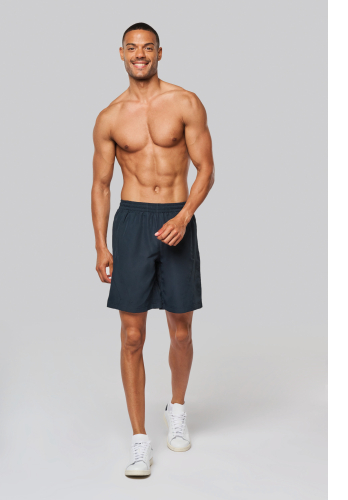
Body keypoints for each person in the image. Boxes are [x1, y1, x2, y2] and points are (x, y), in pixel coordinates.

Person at [91, 22, 215, 477]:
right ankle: (140, 440)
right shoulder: (109, 116)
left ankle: (176, 408)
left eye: (147, 48)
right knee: (131, 336)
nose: (139, 54)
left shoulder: (185, 102)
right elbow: (101, 185)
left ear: (159, 53)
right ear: (121, 54)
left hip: (176, 218)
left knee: (181, 331)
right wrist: (101, 244)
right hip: (132, 223)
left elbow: (206, 169)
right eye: (132, 48)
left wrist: (184, 217)